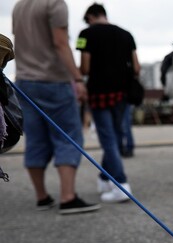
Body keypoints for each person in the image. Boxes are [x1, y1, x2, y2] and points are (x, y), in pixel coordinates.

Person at [12, 0, 100, 214]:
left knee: (35, 139)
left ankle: (42, 197)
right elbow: (60, 42)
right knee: (68, 137)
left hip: (24, 80)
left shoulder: (19, 6)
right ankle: (68, 197)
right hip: (53, 80)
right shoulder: (55, 3)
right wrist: (78, 80)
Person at [76, 3, 138, 203]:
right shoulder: (126, 34)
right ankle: (104, 177)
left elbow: (84, 68)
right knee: (116, 135)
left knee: (108, 139)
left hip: (99, 92)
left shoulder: (85, 34)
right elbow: (136, 67)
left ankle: (120, 184)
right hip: (123, 92)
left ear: (91, 17)